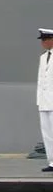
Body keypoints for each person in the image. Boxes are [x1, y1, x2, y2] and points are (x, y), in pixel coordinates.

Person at [38, 28, 53, 172]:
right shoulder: (43, 57)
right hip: (44, 102)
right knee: (47, 133)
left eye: (45, 39)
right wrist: (39, 101)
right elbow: (41, 81)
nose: (43, 43)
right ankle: (52, 162)